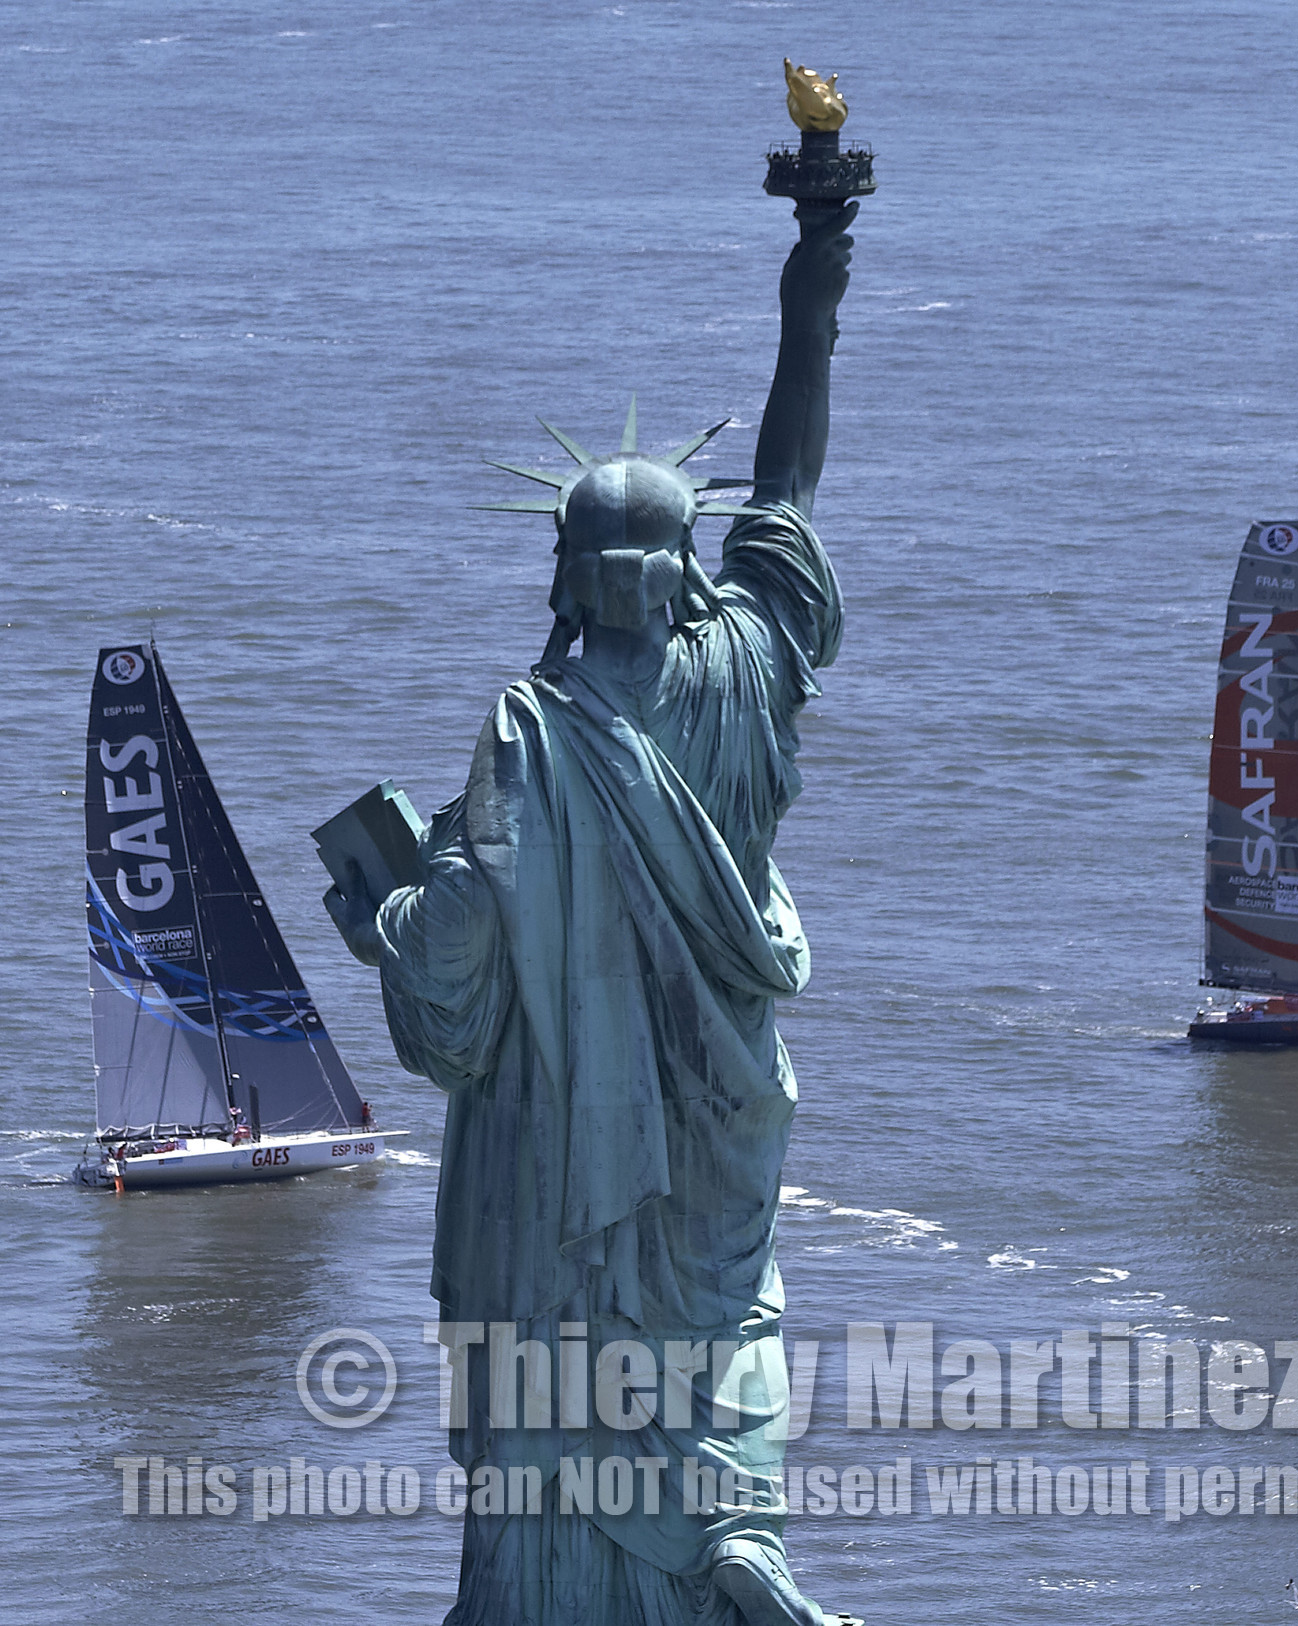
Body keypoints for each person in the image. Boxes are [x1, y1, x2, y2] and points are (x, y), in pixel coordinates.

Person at [327, 204, 860, 1626]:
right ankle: (732, 1524)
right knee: (719, 1324)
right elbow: (788, 485)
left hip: (558, 1160)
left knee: (552, 1383)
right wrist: (814, 282)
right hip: (717, 1118)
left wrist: (377, 912)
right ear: (685, 571)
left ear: (565, 577)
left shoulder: (530, 726)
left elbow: (455, 954)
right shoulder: (747, 674)